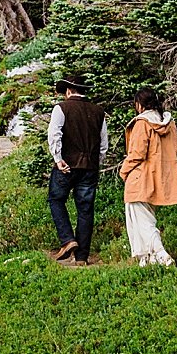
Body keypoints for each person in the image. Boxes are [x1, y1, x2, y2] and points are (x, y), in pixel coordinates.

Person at [47, 74, 108, 264]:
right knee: (85, 209)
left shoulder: (61, 108)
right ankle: (82, 257)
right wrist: (96, 162)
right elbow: (103, 144)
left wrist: (58, 159)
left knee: (56, 199)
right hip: (89, 167)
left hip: (67, 165)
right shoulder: (98, 111)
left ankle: (67, 240)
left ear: (68, 90)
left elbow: (54, 135)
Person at [118, 87, 177, 266]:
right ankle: (148, 260)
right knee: (147, 216)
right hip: (160, 178)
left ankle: (160, 253)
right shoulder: (168, 123)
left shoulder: (142, 123)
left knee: (140, 218)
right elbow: (176, 149)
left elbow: (137, 153)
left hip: (139, 178)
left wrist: (123, 171)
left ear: (139, 105)